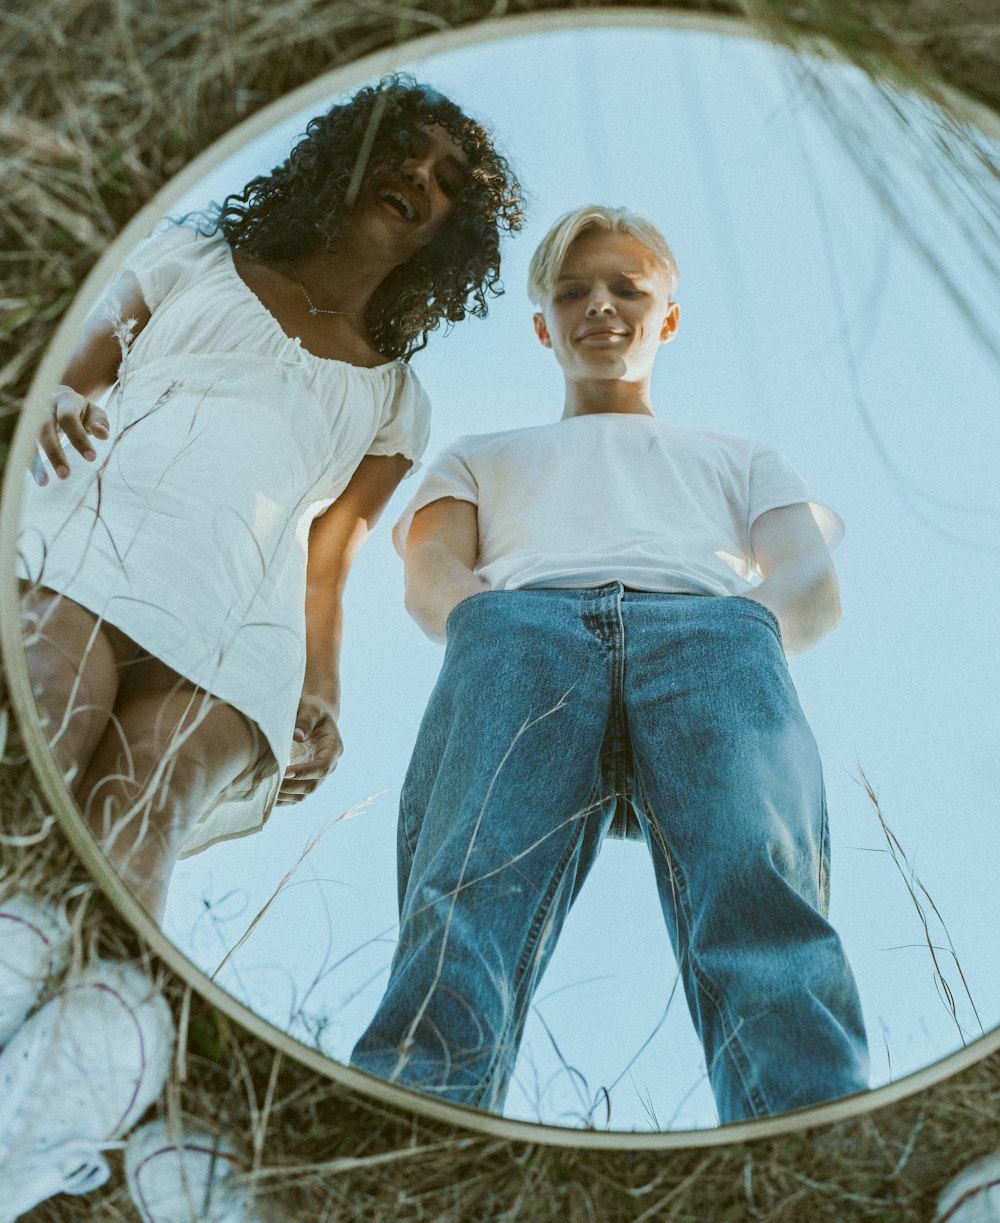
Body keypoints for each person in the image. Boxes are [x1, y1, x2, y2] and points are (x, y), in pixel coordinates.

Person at [351, 204, 870, 1124]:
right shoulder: (479, 454)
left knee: (761, 893)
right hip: (524, 631)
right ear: (542, 323)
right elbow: (430, 572)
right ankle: (410, 1135)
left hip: (707, 631)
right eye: (573, 291)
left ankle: (812, 1138)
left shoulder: (739, 458)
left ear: (667, 315)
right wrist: (490, 621)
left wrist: (737, 627)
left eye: (629, 288)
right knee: (467, 893)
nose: (601, 305)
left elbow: (810, 582)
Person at [18, 76, 523, 925]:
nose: (420, 175)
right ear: (350, 156)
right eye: (406, 147)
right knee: (39, 718)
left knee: (144, 814)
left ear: (450, 231)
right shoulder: (195, 255)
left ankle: (74, 1018)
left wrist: (322, 690)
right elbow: (69, 380)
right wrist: (55, 402)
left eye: (447, 178)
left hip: (238, 631)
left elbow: (328, 564)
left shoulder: (397, 401)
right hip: (91, 541)